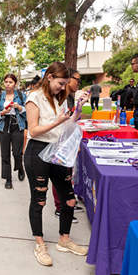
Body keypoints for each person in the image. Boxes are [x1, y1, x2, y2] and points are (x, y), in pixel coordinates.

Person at [24, 61, 89, 266]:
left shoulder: (59, 97)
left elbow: (69, 123)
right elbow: (33, 131)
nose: (63, 87)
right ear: (49, 76)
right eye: (61, 83)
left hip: (58, 153)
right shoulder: (34, 97)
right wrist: (58, 122)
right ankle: (40, 244)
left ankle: (64, 240)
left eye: (65, 84)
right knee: (39, 200)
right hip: (38, 152)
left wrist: (78, 107)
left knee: (69, 200)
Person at [51, 67, 83, 223]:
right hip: (59, 143)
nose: (79, 83)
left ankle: (68, 203)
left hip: (66, 141)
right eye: (77, 79)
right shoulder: (60, 98)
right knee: (60, 176)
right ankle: (61, 207)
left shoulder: (69, 97)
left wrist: (80, 106)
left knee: (68, 175)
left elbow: (71, 121)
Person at [0, 74, 26, 189]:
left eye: (10, 82)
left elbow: (29, 112)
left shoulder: (21, 96)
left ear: (15, 83)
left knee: (17, 153)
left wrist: (19, 108)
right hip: (4, 125)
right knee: (5, 154)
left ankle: (20, 167)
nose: (8, 84)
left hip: (18, 125)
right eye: (6, 82)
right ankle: (8, 179)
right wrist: (2, 113)